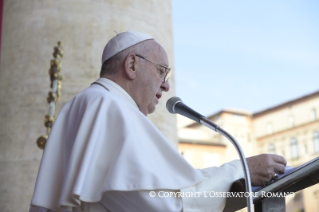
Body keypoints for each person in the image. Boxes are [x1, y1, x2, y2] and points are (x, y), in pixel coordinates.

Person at [29, 31, 287, 212]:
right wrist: (240, 171)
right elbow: (167, 205)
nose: (166, 85)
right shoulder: (110, 107)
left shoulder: (83, 104)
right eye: (161, 71)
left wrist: (236, 171)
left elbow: (171, 188)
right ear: (131, 65)